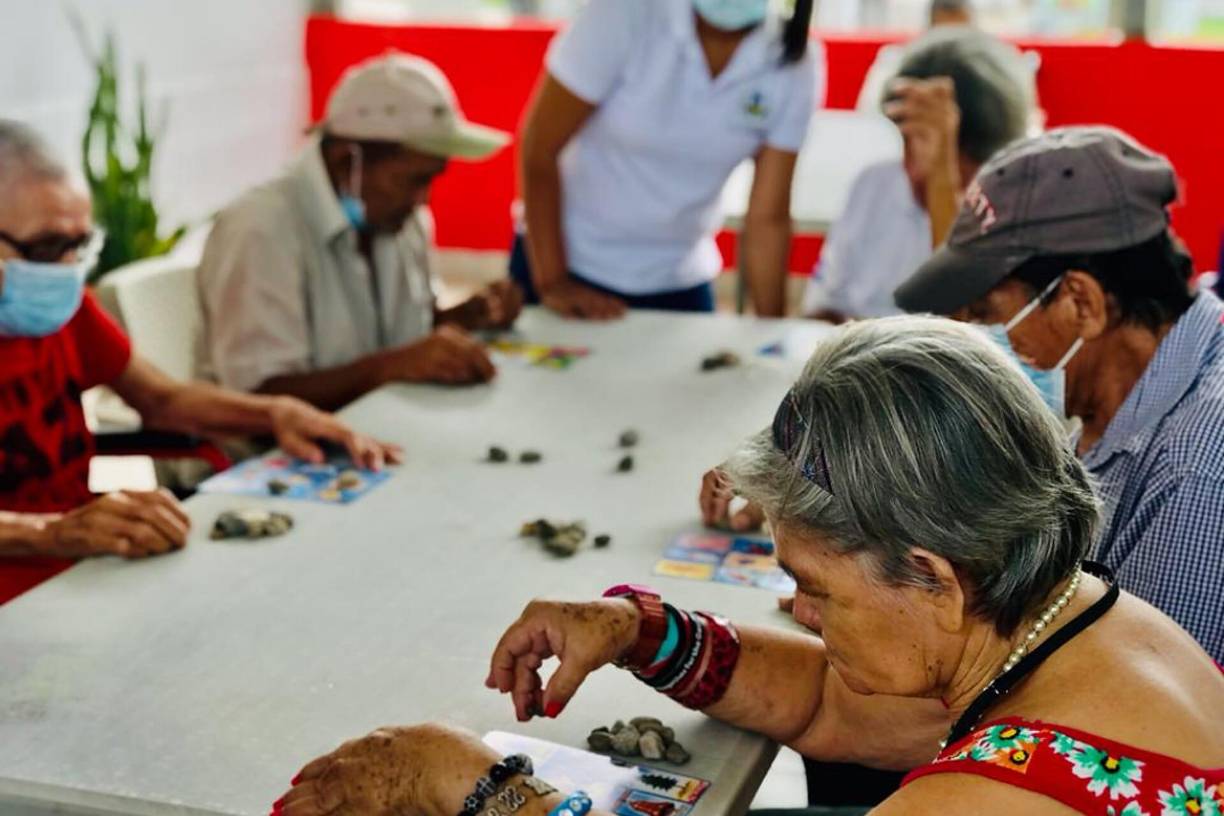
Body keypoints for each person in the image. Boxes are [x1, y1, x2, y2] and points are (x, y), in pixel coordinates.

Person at [272, 317, 1224, 815]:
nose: (796, 608)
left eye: (816, 588)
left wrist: (473, 783)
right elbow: (830, 708)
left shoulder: (990, 799)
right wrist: (646, 631)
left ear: (931, 575)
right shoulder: (1076, 621)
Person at [0, 120, 400, 603]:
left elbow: (162, 399)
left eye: (79, 247)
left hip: (81, 573)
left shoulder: (66, 311)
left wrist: (275, 413)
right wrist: (51, 532)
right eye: (45, 248)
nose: (65, 270)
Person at [893, 126, 1224, 663]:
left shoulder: (1199, 470)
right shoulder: (1113, 404)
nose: (979, 342)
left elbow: (1134, 707)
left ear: (1080, 303)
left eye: (986, 317)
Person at [197, 54, 522, 411]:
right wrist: (390, 367)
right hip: (275, 458)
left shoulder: (400, 221)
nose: (422, 199)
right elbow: (256, 400)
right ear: (345, 161)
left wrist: (463, 318)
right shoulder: (262, 228)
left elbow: (399, 336)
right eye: (413, 180)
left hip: (374, 434)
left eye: (431, 179)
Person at [511, 0, 820, 319]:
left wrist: (773, 337)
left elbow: (767, 218)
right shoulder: (624, 13)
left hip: (677, 279)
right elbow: (540, 149)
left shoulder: (793, 60)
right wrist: (554, 282)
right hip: (564, 263)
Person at [802, 26, 1032, 322]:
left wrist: (941, 182)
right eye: (908, 140)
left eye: (937, 145)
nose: (914, 165)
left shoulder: (1012, 210)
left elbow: (968, 331)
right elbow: (823, 307)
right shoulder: (874, 186)